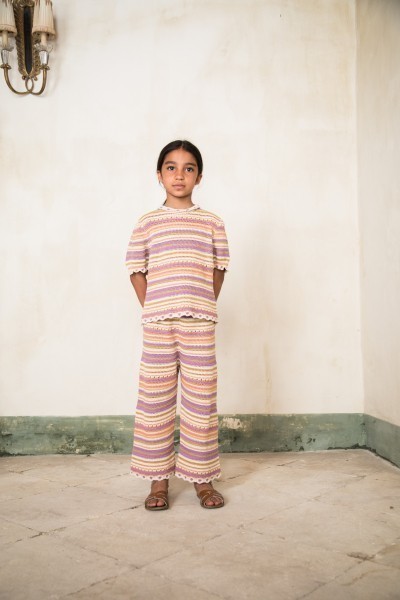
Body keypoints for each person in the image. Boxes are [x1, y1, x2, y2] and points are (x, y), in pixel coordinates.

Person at [126, 140, 229, 510]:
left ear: (199, 177)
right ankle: (158, 482)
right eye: (171, 167)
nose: (179, 175)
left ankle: (202, 479)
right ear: (159, 175)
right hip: (158, 326)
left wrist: (201, 304)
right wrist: (156, 306)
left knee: (201, 403)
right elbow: (135, 269)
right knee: (155, 402)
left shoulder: (212, 222)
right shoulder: (147, 222)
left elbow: (219, 268)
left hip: (199, 324)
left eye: (189, 168)